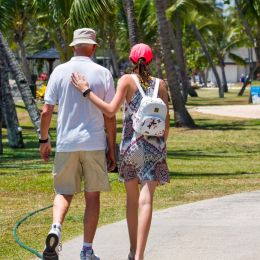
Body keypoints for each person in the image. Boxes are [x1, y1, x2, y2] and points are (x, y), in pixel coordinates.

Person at [71, 43, 170, 260]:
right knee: (147, 201)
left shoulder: (126, 80)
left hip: (130, 147)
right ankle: (140, 256)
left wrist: (86, 91)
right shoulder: (161, 85)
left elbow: (110, 110)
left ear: (131, 60)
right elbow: (166, 122)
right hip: (154, 148)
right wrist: (160, 148)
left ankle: (133, 250)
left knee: (132, 201)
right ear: (151, 60)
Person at [39, 28, 116, 260]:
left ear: (73, 46)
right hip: (93, 143)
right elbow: (109, 116)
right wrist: (112, 148)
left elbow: (46, 111)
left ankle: (56, 228)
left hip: (66, 143)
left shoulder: (59, 71)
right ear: (93, 47)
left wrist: (44, 140)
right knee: (92, 197)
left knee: (64, 192)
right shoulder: (103, 73)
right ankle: (86, 250)